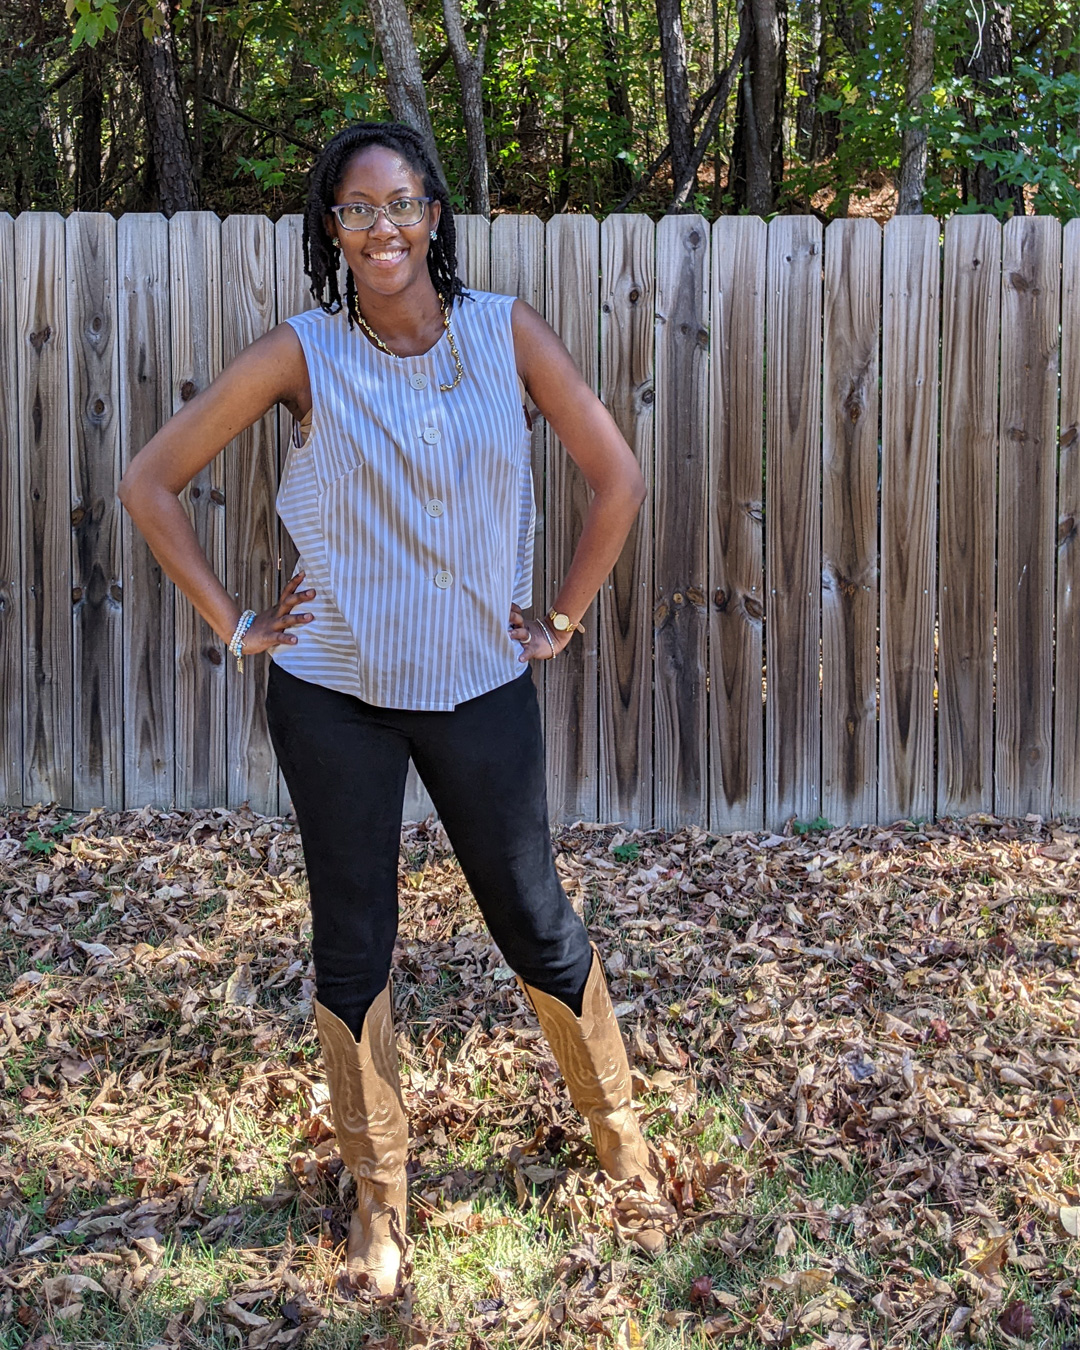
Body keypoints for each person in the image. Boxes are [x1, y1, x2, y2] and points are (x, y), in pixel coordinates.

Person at [118, 121, 669, 1295]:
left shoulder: (505, 333)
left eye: (402, 203)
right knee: (354, 940)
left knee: (534, 916)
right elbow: (148, 481)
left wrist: (561, 618)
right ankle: (380, 1199)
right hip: (335, 693)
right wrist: (238, 623)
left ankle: (620, 1136)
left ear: (433, 217)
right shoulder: (302, 353)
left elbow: (617, 478)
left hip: (477, 684)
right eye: (359, 208)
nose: (383, 227)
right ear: (333, 227)